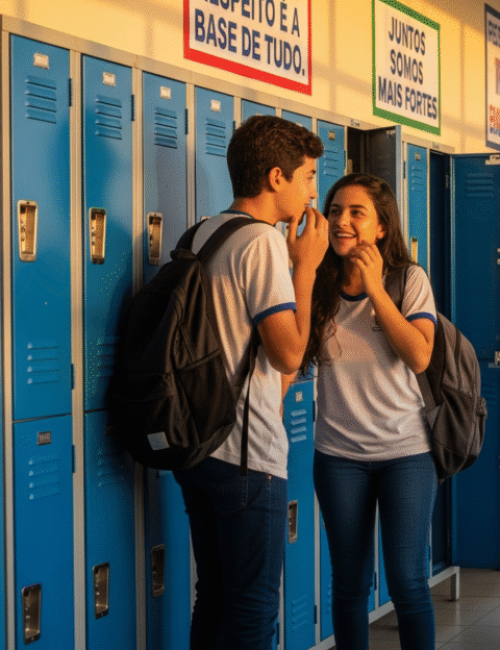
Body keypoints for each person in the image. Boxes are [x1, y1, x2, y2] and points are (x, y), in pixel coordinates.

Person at [173, 115, 328, 648]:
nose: (315, 191)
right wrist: (304, 268)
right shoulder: (261, 243)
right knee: (253, 610)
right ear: (276, 177)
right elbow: (288, 352)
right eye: (309, 177)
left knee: (213, 597)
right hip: (246, 456)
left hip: (200, 448)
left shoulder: (204, 231)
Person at [304, 173, 439, 650]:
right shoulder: (318, 282)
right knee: (349, 583)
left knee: (407, 580)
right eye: (335, 210)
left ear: (381, 227)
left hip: (405, 451)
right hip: (338, 455)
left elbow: (419, 354)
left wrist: (377, 289)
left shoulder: (409, 280)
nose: (342, 221)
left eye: (356, 213)